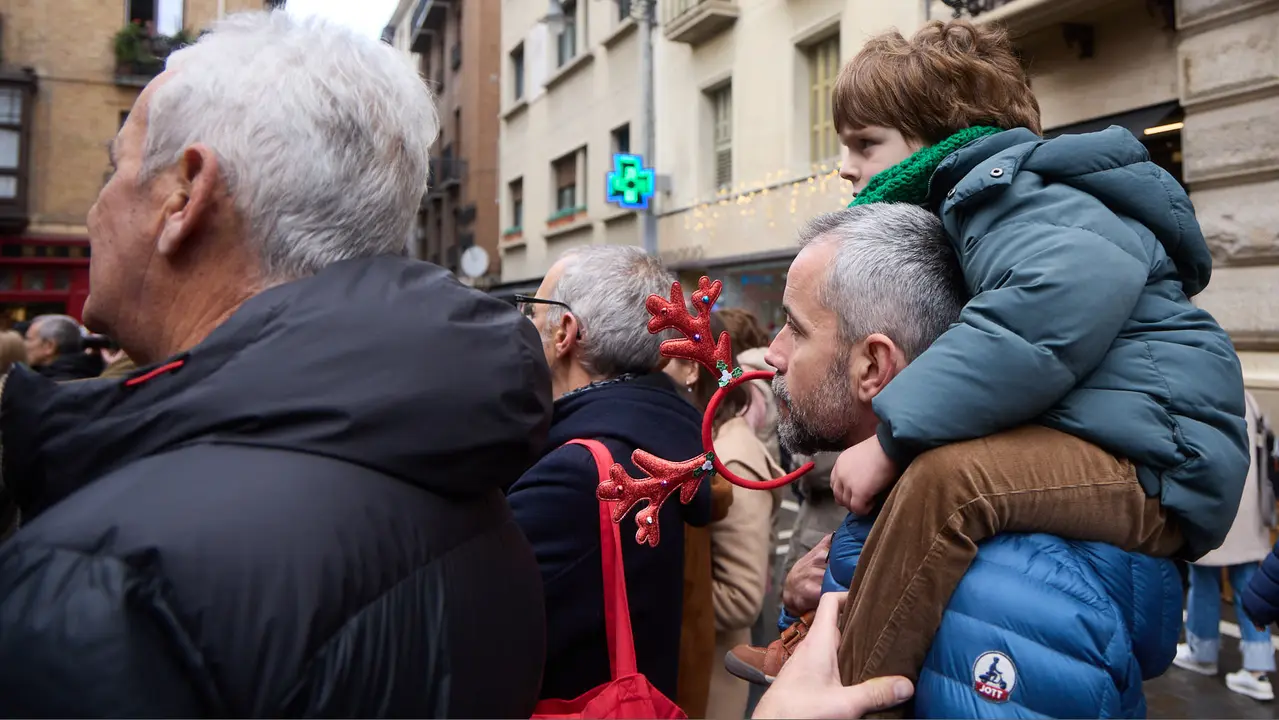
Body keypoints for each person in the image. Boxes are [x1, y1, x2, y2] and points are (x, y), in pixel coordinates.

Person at [0, 11, 551, 717]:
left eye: (117, 167)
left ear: (185, 194)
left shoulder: (106, 576)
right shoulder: (474, 499)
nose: (97, 207)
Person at [732, 18, 1247, 688]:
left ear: (935, 136)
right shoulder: (987, 207)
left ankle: (842, 680)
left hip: (1158, 461)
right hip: (1131, 446)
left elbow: (1036, 322)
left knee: (949, 483)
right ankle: (816, 636)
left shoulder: (1015, 197)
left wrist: (890, 436)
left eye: (865, 142)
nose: (845, 165)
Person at [741, 205, 1182, 717]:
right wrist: (806, 613)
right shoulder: (890, 509)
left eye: (795, 328)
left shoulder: (1011, 598)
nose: (773, 353)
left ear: (873, 366)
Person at [507, 244, 712, 705]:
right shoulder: (663, 438)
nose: (526, 327)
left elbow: (473, 621)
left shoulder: (573, 474)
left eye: (533, 313)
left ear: (565, 332)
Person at [1175, 394, 1276, 701]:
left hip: (1216, 504)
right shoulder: (1248, 398)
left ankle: (1202, 652)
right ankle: (1258, 668)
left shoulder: (1204, 392)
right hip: (1249, 508)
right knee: (1248, 583)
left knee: (1203, 579)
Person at [22, 314, 102, 380]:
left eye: (28, 339)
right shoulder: (92, 375)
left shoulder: (48, 386)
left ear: (49, 346)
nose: (24, 345)